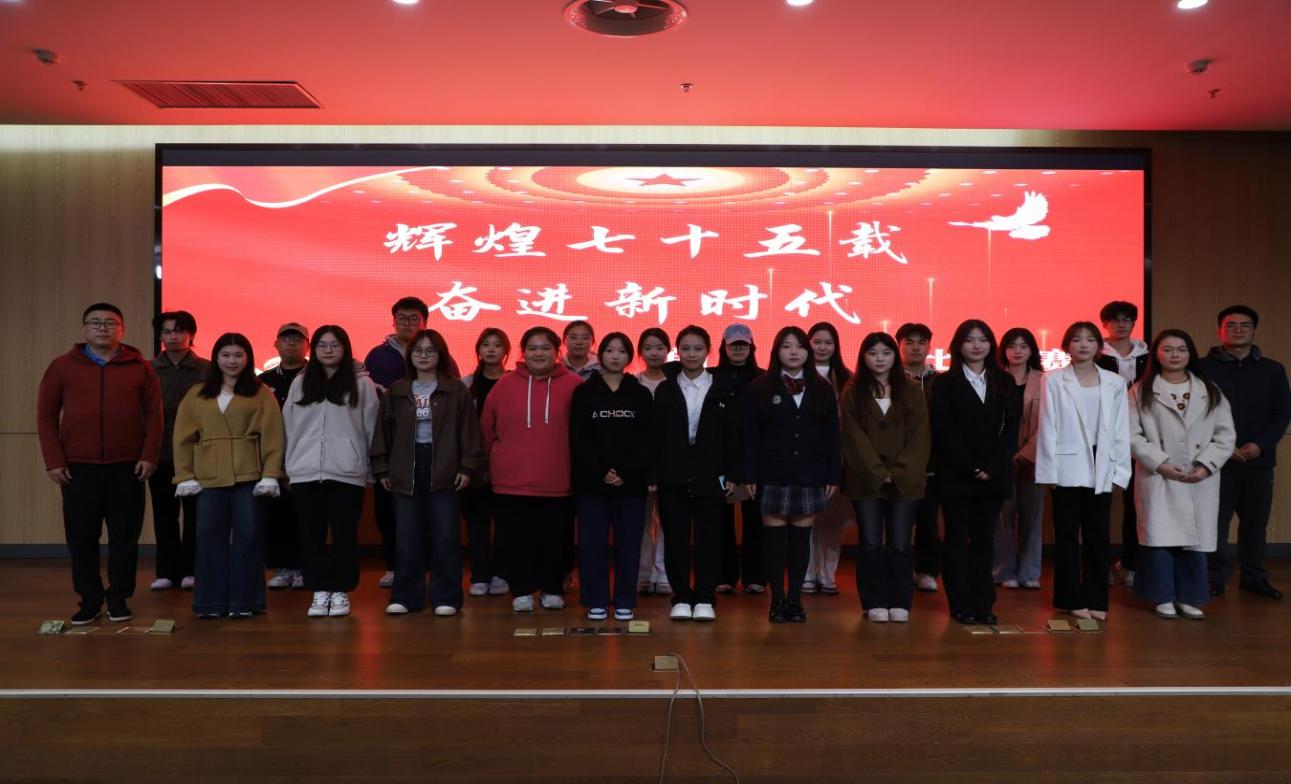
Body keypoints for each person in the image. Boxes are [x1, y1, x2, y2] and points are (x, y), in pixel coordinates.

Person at [37, 303, 163, 625]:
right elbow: (46, 415)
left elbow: (155, 415)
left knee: (125, 538)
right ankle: (90, 600)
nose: (102, 328)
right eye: (95, 322)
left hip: (128, 467)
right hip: (78, 468)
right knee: (81, 539)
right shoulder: (62, 366)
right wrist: (54, 459)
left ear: (122, 329)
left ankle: (119, 598)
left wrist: (149, 455)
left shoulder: (140, 367)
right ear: (84, 330)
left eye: (110, 323)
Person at [370, 329, 484, 617]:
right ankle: (406, 596)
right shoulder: (397, 390)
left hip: (446, 466)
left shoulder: (456, 389)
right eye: (418, 350)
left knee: (445, 536)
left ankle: (446, 596)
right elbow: (383, 432)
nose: (423, 355)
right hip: (405, 467)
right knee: (407, 537)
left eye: (430, 350)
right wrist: (381, 467)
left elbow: (469, 431)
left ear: (441, 355)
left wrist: (467, 467)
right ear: (410, 356)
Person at [172, 333, 284, 618]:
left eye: (238, 355)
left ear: (248, 358)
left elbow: (273, 436)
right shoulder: (197, 393)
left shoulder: (261, 392)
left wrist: (271, 474)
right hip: (208, 476)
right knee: (208, 537)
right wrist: (184, 475)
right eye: (226, 355)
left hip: (249, 477)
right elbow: (182, 438)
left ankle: (246, 602)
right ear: (216, 358)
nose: (232, 361)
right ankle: (209, 603)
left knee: (249, 537)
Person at [1130, 329, 1235, 619]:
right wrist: (1160, 463)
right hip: (1159, 475)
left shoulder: (1210, 390)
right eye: (1167, 349)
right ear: (1156, 354)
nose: (1175, 355)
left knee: (1194, 539)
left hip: (1198, 476)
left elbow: (1225, 435)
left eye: (1181, 349)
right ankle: (1162, 596)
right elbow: (1131, 435)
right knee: (1160, 537)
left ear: (1190, 354)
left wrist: (1206, 465)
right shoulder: (1141, 390)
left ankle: (1189, 597)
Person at [744, 326, 841, 624]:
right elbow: (749, 436)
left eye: (799, 346)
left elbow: (832, 436)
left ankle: (795, 600)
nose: (794, 352)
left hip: (810, 473)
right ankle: (777, 600)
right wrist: (750, 474)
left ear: (808, 352)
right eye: (786, 346)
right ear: (776, 352)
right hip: (771, 473)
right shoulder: (760, 387)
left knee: (801, 539)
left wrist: (833, 475)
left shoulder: (822, 388)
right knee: (773, 540)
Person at [1036, 321, 1132, 622]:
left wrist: (1120, 471)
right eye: (1076, 340)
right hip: (1066, 464)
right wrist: (1049, 472)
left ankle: (1097, 599)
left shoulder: (1115, 382)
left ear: (1099, 346)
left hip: (1102, 463)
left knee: (1098, 535)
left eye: (1090, 339)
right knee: (1066, 535)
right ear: (1067, 345)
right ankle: (1069, 598)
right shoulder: (1053, 379)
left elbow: (1121, 429)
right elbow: (1047, 425)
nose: (1083, 345)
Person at [480, 326, 581, 613]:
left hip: (558, 480)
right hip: (510, 481)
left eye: (545, 348)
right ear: (523, 353)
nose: (539, 353)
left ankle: (552, 589)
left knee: (554, 539)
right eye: (533, 348)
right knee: (515, 540)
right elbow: (487, 430)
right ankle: (521, 590)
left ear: (557, 352)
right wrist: (491, 463)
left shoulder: (574, 384)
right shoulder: (504, 385)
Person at [284, 326, 379, 618]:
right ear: (313, 349)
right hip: (304, 472)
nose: (328, 350)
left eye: (334, 345)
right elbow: (288, 426)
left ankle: (340, 591)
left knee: (344, 535)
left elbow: (371, 428)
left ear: (345, 348)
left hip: (347, 472)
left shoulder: (362, 384)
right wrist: (289, 465)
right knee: (310, 535)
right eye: (322, 345)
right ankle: (319, 590)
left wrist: (370, 470)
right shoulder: (300, 382)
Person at [928, 320, 1019, 625]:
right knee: (956, 538)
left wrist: (992, 467)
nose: (976, 345)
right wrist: (971, 467)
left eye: (982, 339)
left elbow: (1010, 430)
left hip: (993, 475)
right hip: (956, 475)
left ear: (991, 344)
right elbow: (943, 432)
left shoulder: (1004, 381)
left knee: (984, 540)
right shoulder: (944, 383)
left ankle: (983, 603)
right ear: (958, 345)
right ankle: (960, 603)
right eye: (969, 340)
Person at [1201, 305, 1291, 599]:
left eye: (1245, 325)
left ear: (1254, 331)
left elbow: (1282, 413)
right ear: (1219, 331)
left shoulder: (1273, 369)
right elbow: (1196, 415)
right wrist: (1222, 447)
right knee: (1215, 523)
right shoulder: (1202, 368)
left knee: (1255, 525)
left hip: (1259, 461)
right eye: (1231, 325)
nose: (1238, 330)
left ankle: (1254, 577)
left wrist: (1261, 445)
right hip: (1216, 461)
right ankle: (1215, 577)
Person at [654, 325, 741, 622]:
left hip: (712, 475)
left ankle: (705, 596)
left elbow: (733, 435)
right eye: (686, 349)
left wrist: (733, 473)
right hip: (673, 475)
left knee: (710, 538)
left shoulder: (723, 388)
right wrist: (655, 474)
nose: (692, 354)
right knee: (676, 539)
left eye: (698, 348)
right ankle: (680, 596)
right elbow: (657, 437)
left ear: (708, 352)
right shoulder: (665, 388)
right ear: (678, 352)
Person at [841, 332, 930, 623]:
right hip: (865, 480)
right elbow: (852, 438)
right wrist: (879, 473)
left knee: (900, 543)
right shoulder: (852, 391)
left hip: (907, 480)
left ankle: (900, 600)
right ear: (863, 357)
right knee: (869, 541)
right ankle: (873, 601)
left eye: (886, 353)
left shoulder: (913, 390)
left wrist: (900, 471)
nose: (880, 359)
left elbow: (920, 436)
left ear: (894, 356)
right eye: (873, 353)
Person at [570, 332, 655, 621]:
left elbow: (647, 440)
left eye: (621, 351)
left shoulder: (640, 394)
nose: (615, 356)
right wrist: (601, 472)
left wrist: (625, 473)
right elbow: (579, 439)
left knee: (629, 545)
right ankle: (595, 600)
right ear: (600, 355)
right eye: (609, 350)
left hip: (630, 484)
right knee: (592, 544)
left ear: (630, 356)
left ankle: (624, 600)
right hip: (592, 483)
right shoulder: (584, 392)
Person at [363, 296, 432, 590]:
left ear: (424, 322)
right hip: (390, 444)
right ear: (393, 321)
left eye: (414, 318)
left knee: (427, 510)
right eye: (402, 318)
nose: (407, 323)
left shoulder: (437, 352)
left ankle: (426, 567)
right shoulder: (377, 356)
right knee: (387, 509)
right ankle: (393, 566)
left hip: (428, 444)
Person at [147, 310, 209, 591]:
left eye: (179, 330)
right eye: (167, 331)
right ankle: (166, 571)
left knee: (196, 516)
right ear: (160, 336)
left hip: (197, 455)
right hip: (160, 454)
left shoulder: (206, 370)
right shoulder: (148, 369)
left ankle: (192, 570)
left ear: (191, 334)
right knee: (164, 515)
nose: (173, 336)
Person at [1095, 300, 1150, 588]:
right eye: (1114, 320)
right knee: (1098, 506)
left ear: (1133, 323)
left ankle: (1130, 564)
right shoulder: (1095, 354)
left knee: (1136, 506)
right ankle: (1100, 564)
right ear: (1105, 324)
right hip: (1102, 437)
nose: (1121, 324)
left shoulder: (1149, 356)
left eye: (1127, 319)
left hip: (1139, 437)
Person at [804, 321, 855, 595]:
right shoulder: (796, 375)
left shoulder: (848, 378)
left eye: (828, 342)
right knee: (805, 518)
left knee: (832, 521)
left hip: (838, 457)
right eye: (817, 342)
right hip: (806, 457)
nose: (822, 347)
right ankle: (806, 573)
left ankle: (827, 574)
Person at [713, 323, 765, 594]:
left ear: (751, 347)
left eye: (743, 344)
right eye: (733, 345)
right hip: (721, 461)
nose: (738, 349)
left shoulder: (764, 378)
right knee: (721, 518)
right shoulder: (711, 377)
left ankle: (755, 576)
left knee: (755, 519)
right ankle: (724, 576)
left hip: (756, 460)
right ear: (724, 347)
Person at [993, 327, 1045, 590]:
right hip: (1000, 460)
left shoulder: (1045, 380)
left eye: (1023, 346)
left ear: (1032, 350)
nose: (1017, 351)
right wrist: (1005, 455)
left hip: (1035, 459)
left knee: (1032, 518)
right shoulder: (993, 379)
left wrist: (1025, 454)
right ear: (1003, 350)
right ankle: (1003, 571)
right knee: (1001, 519)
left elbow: (1049, 423)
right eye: (1012, 346)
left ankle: (1029, 572)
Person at [259, 322, 309, 590]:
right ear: (275, 344)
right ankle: (282, 568)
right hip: (272, 455)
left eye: (297, 339)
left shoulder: (317, 377)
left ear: (307, 346)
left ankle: (303, 567)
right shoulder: (263, 381)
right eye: (286, 338)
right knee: (276, 515)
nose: (291, 343)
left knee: (305, 514)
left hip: (306, 453)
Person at [461, 327, 511, 597]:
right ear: (478, 350)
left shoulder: (513, 382)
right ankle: (480, 575)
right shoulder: (466, 383)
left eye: (497, 345)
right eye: (486, 345)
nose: (491, 350)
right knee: (477, 524)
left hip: (507, 465)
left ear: (506, 351)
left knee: (505, 524)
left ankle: (502, 573)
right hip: (475, 465)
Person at [897, 322, 942, 593]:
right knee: (898, 521)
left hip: (931, 462)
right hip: (897, 460)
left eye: (921, 342)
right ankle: (899, 570)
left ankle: (926, 570)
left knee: (928, 519)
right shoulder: (890, 378)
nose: (915, 347)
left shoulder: (940, 380)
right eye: (909, 342)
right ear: (899, 346)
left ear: (929, 347)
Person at [635, 327, 673, 596]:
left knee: (668, 521)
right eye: (648, 348)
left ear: (668, 350)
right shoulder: (633, 383)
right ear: (640, 352)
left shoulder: (676, 383)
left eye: (659, 347)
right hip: (639, 464)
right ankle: (643, 574)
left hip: (670, 463)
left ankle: (664, 572)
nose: (654, 353)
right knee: (641, 523)